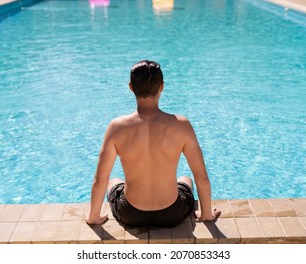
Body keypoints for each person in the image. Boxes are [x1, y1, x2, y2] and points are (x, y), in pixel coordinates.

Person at [87, 60, 220, 227]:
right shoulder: (181, 125)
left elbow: (100, 180)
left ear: (131, 87)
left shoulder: (117, 127)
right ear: (161, 87)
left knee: (112, 181)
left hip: (130, 214)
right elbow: (202, 177)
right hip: (172, 213)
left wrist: (93, 218)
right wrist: (206, 214)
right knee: (186, 179)